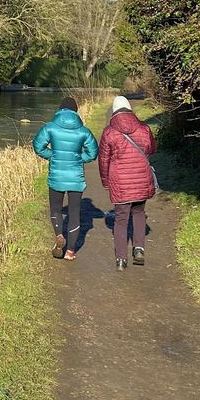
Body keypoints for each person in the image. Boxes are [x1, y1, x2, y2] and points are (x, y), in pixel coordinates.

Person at [32, 96, 98, 260]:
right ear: (76, 111)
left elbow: (38, 146)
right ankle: (70, 252)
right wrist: (78, 159)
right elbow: (92, 153)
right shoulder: (84, 131)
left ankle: (59, 235)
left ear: (60, 109)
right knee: (74, 213)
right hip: (76, 177)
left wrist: (52, 156)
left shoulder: (50, 128)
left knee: (56, 209)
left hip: (56, 175)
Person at [98, 95, 157, 270]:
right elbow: (152, 149)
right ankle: (139, 249)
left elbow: (103, 160)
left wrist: (105, 181)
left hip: (120, 182)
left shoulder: (109, 132)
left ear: (114, 111)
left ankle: (121, 260)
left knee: (121, 219)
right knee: (139, 213)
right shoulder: (144, 128)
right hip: (141, 178)